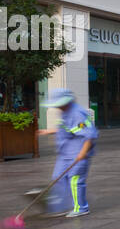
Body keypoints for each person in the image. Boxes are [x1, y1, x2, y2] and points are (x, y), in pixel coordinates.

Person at [38, 88, 98, 218]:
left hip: (78, 152)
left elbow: (89, 135)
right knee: (57, 178)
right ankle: (64, 206)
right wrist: (49, 131)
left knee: (75, 180)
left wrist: (83, 153)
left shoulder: (78, 113)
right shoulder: (65, 112)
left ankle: (81, 207)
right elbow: (67, 128)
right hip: (65, 153)